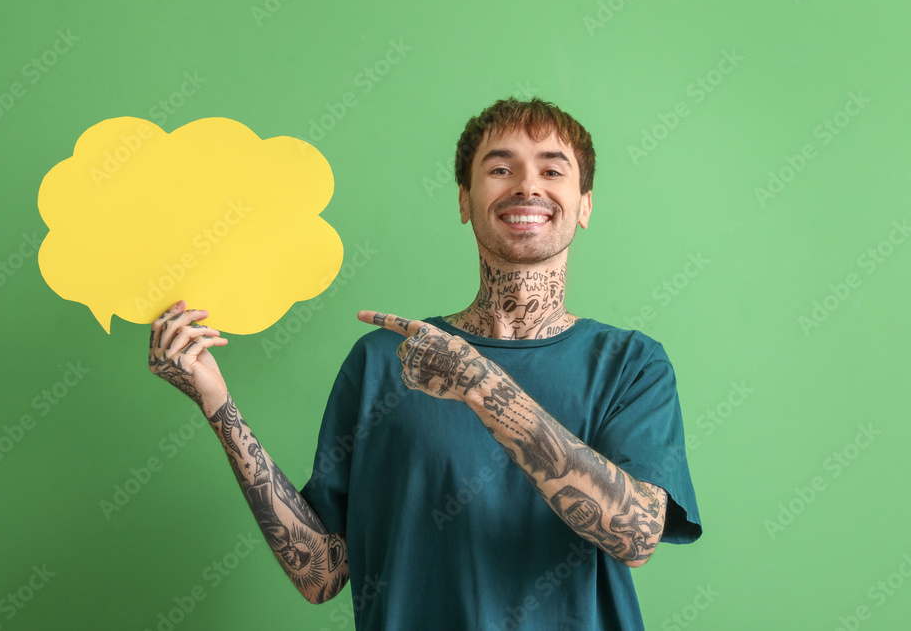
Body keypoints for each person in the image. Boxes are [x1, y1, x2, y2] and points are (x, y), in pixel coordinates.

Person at [148, 97, 702, 630]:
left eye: (553, 171)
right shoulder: (385, 363)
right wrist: (217, 404)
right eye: (501, 168)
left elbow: (637, 535)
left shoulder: (631, 364)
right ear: (465, 200)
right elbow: (320, 572)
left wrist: (480, 385)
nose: (528, 185)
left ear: (584, 205)